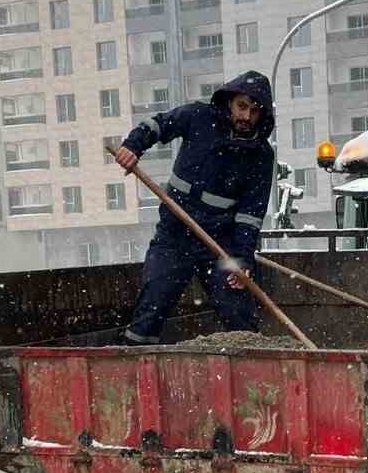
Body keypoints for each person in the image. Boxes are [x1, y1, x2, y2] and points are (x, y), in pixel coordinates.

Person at [113, 72, 276, 344]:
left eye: (255, 111)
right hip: (174, 236)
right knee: (152, 304)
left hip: (219, 244)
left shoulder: (261, 155)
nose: (246, 116)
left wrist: (242, 259)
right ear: (230, 102)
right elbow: (158, 125)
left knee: (239, 313)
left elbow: (251, 215)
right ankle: (134, 357)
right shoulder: (199, 117)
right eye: (242, 106)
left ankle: (253, 359)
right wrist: (133, 146)